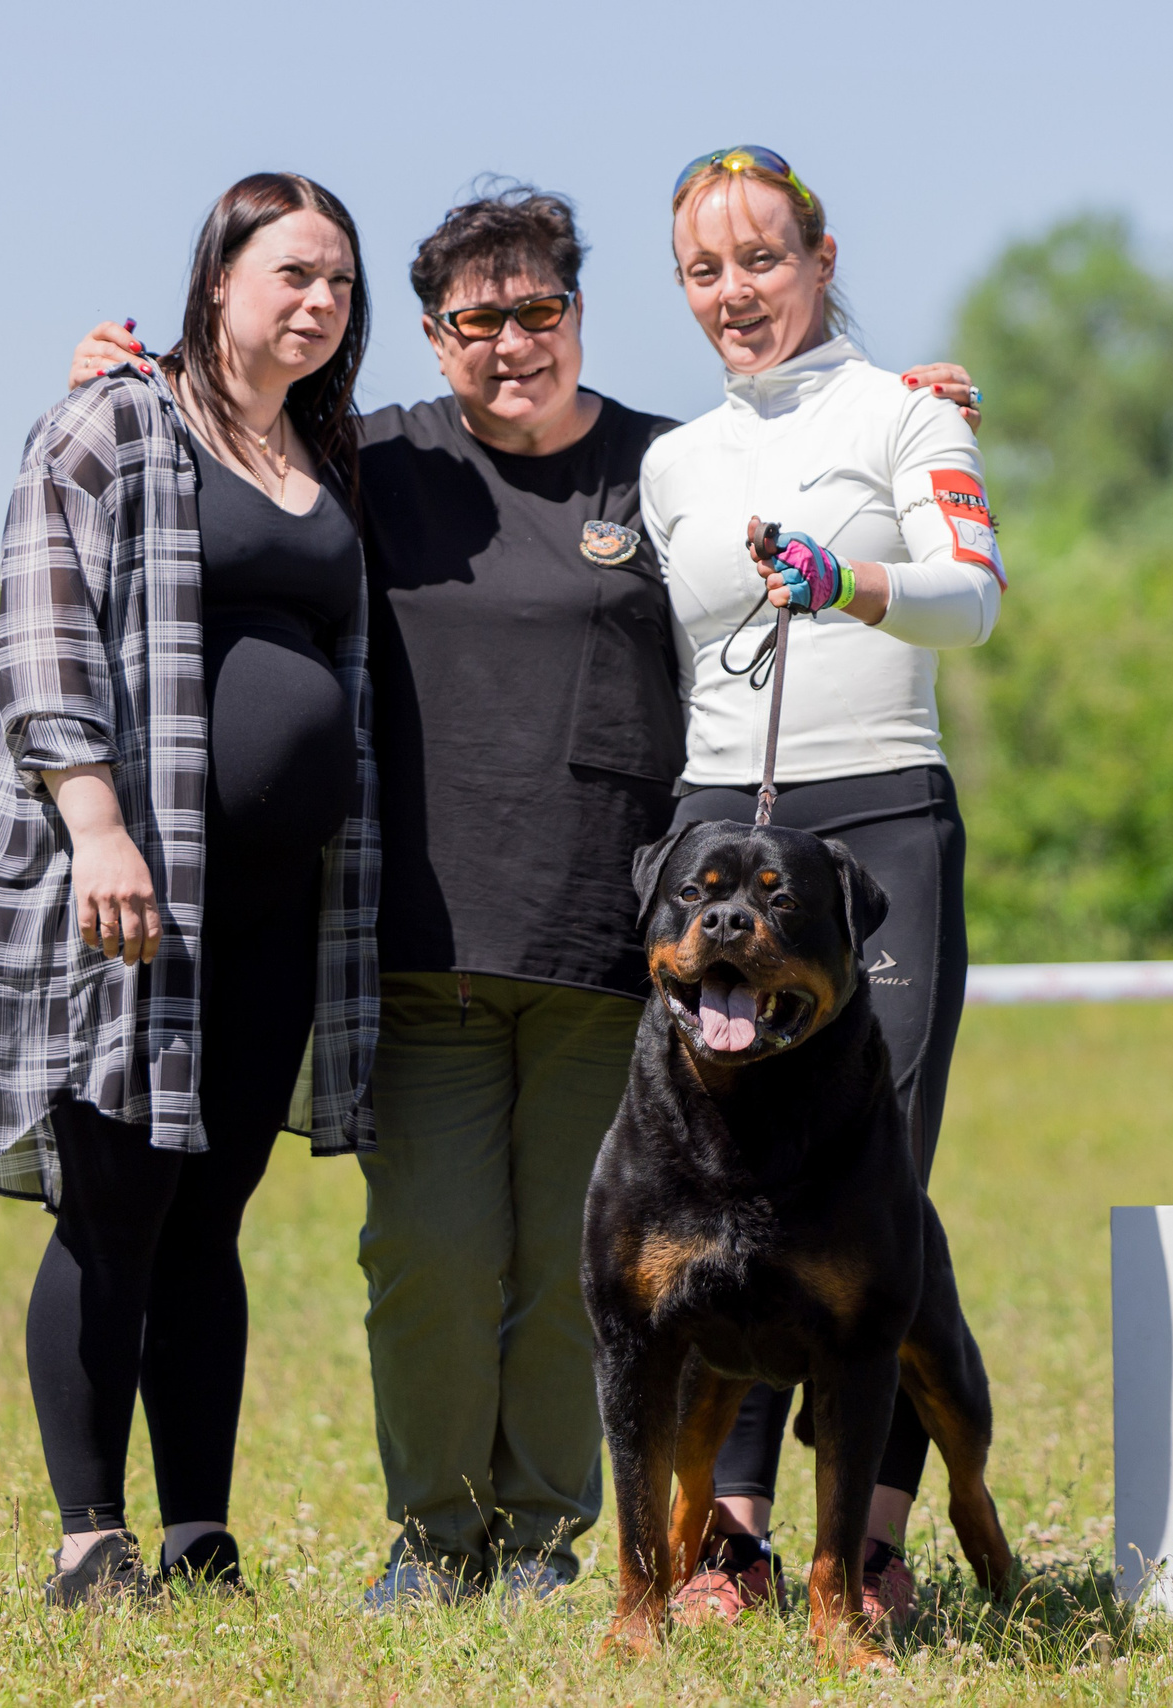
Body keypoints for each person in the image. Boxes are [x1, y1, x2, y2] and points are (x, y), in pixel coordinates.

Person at [64, 185, 979, 1608]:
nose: (511, 343)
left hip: (605, 952)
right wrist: (137, 379)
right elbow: (230, 441)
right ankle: (435, 1539)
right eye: (473, 321)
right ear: (432, 337)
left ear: (578, 313)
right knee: (425, 1255)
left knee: (576, 1268)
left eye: (539, 310)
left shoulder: (658, 466)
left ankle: (550, 1539)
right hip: (417, 943)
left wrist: (898, 406)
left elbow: (795, 466)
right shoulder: (364, 458)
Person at [0, 171, 381, 1607]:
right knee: (117, 1202)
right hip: (137, 888)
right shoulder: (116, 419)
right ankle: (91, 1541)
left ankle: (200, 1538)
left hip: (281, 908)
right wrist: (96, 826)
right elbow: (45, 628)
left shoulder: (329, 449)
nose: (318, 301)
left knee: (210, 1217)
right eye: (292, 273)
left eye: (338, 280)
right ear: (218, 280)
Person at [638, 145, 1006, 1636]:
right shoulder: (673, 461)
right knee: (713, 1180)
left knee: (874, 1185)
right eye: (704, 269)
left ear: (822, 258)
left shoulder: (909, 412)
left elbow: (973, 601)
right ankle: (729, 1543)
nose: (735, 291)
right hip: (721, 823)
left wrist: (848, 580)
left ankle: (874, 1543)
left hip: (880, 819)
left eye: (763, 259)